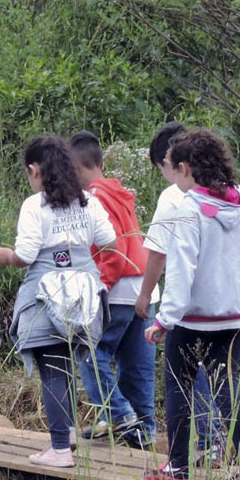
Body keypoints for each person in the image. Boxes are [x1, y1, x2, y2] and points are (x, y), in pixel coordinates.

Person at [143, 129, 240, 480]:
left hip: (196, 317)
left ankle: (178, 467)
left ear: (185, 168)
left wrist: (164, 320)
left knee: (179, 384)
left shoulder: (189, 207)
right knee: (227, 385)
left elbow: (182, 269)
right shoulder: (239, 200)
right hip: (237, 314)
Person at [0, 136, 117, 468]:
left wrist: (7, 257)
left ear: (34, 170)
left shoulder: (34, 206)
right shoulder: (88, 202)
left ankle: (60, 448)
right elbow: (109, 241)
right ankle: (69, 431)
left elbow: (26, 254)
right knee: (67, 365)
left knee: (52, 369)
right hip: (83, 295)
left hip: (47, 293)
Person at [136, 122, 223, 464]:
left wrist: (146, 295)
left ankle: (197, 448)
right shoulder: (228, 190)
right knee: (220, 373)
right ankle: (220, 442)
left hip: (188, 303)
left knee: (185, 372)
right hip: (225, 301)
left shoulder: (173, 197)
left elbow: (158, 253)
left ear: (168, 163)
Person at [67, 131, 157, 449]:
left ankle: (119, 413)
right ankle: (143, 432)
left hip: (117, 287)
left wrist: (99, 288)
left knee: (89, 352)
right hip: (142, 286)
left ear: (75, 168)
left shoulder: (93, 198)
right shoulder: (118, 192)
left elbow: (113, 250)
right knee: (137, 365)